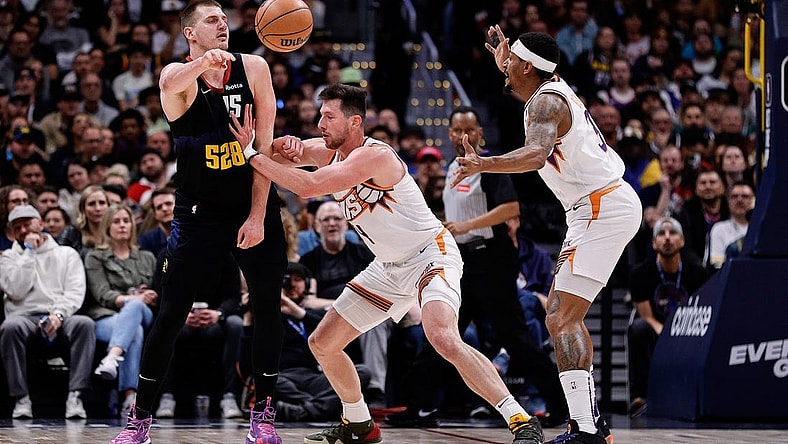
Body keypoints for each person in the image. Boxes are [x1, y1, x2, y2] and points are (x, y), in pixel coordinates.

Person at [241, 82, 545, 444]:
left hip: (430, 254)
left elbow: (307, 187)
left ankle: (520, 418)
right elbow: (290, 153)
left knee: (443, 337)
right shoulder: (328, 152)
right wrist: (281, 144)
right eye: (319, 115)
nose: (320, 123)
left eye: (328, 117)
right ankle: (359, 422)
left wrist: (254, 155)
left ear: (354, 122)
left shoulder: (377, 156)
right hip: (388, 267)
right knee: (323, 342)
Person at [109, 2, 298, 443]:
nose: (223, 26)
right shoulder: (177, 78)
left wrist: (256, 216)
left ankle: (262, 415)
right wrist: (199, 65)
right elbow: (170, 79)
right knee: (171, 313)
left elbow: (265, 151)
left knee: (267, 307)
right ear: (190, 33)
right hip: (198, 212)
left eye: (225, 20)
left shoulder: (254, 68)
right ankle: (140, 420)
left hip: (253, 203)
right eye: (212, 21)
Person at [450, 29, 642, 443]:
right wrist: (505, 57)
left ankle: (587, 429)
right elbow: (519, 71)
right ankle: (590, 425)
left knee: (559, 316)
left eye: (511, 63)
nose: (505, 69)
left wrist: (484, 164)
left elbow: (536, 154)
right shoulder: (545, 87)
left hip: (599, 206)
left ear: (528, 67)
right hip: (596, 206)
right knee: (561, 315)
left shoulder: (548, 103)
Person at [388, 106, 569, 427]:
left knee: (513, 337)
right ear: (449, 134)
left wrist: (466, 225)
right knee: (441, 333)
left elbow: (511, 209)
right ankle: (417, 408)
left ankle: (561, 405)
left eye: (469, 130)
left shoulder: (489, 167)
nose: (463, 136)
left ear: (480, 134)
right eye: (457, 130)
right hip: (464, 261)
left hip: (493, 259)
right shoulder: (454, 169)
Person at [0, 205, 96, 419]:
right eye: (18, 227)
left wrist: (59, 315)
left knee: (85, 324)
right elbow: (16, 290)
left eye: (28, 224)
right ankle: (21, 398)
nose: (24, 230)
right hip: (24, 317)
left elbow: (75, 292)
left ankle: (76, 396)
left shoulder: (66, 254)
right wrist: (29, 253)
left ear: (40, 224)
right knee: (9, 327)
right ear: (13, 233)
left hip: (59, 314)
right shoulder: (7, 258)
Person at [627, 217, 708, 416]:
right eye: (661, 234)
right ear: (654, 243)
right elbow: (647, 316)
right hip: (657, 328)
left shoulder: (699, 273)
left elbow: (703, 312)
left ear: (682, 241)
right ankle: (640, 398)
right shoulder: (640, 274)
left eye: (673, 233)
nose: (667, 238)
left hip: (690, 330)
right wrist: (666, 334)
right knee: (638, 329)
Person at [84, 204, 158, 422]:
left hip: (144, 313)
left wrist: (149, 295)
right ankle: (130, 398)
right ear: (107, 226)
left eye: (126, 221)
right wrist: (132, 297)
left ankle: (112, 358)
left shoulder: (147, 257)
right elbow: (102, 294)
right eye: (116, 221)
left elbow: (156, 289)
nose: (122, 225)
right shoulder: (95, 257)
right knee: (133, 331)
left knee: (135, 309)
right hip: (106, 316)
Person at [275, 262, 372, 421]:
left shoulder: (310, 314)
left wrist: (297, 311)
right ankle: (320, 406)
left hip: (314, 377)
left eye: (297, 279)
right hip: (284, 376)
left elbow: (328, 331)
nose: (291, 285)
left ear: (306, 284)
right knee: (269, 381)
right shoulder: (268, 316)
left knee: (363, 372)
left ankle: (304, 410)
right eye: (286, 280)